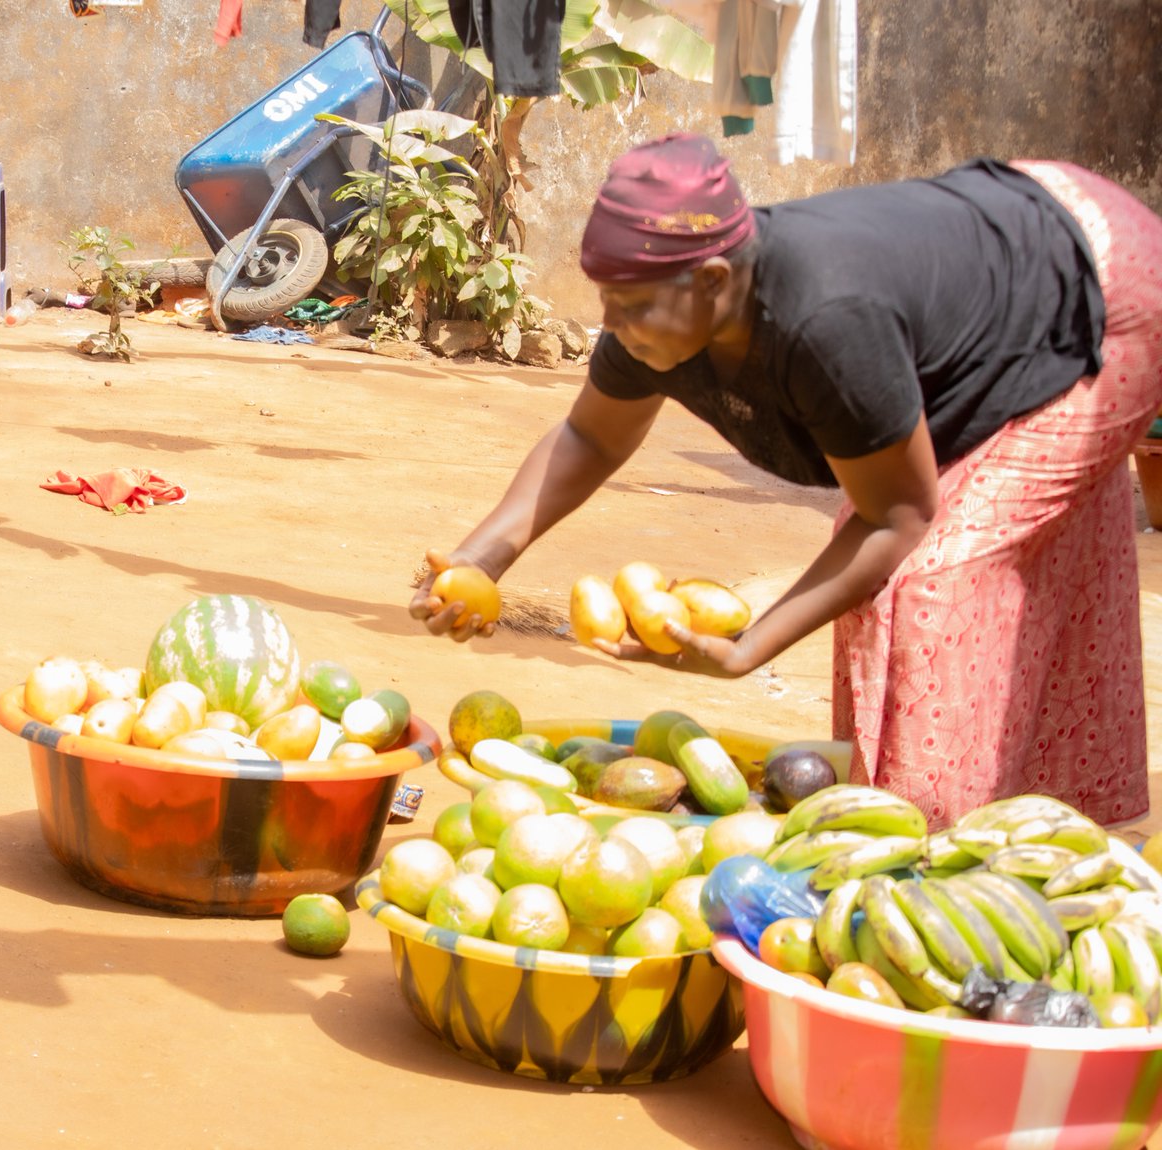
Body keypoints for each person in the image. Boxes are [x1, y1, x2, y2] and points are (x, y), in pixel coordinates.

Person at [410, 133, 1162, 831]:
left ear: (711, 280)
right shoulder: (660, 304)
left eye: (630, 306)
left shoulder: (826, 324)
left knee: (927, 580)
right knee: (884, 554)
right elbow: (590, 435)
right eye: (605, 298)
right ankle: (1037, 829)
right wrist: (478, 562)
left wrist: (750, 648)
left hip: (1105, 283)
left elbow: (898, 517)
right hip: (1014, 250)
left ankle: (923, 852)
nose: (614, 324)